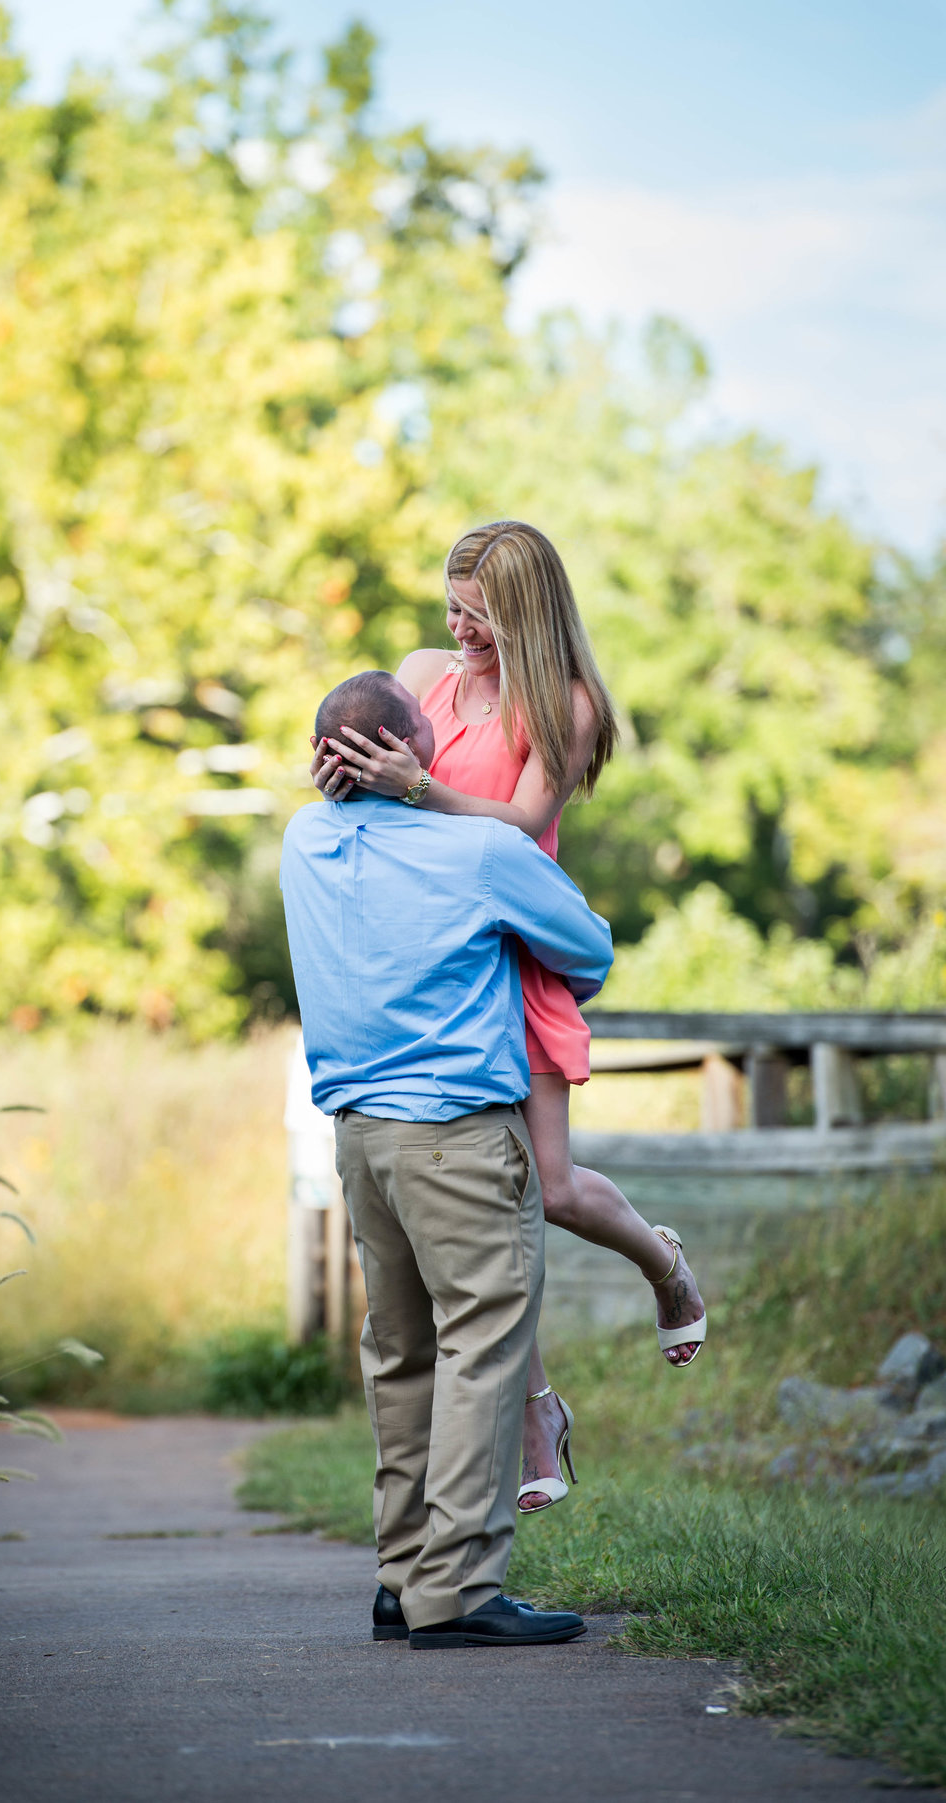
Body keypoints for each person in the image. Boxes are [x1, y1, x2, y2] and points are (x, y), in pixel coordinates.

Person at [313, 520, 706, 1514]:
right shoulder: (421, 673)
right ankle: (536, 1409)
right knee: (492, 1213)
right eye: (451, 609)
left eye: (478, 618)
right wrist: (340, 778)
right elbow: (373, 797)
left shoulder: (565, 706)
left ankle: (665, 1267)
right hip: (435, 969)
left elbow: (526, 826)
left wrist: (421, 788)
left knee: (557, 1190)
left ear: (527, 615)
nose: (457, 631)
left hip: (515, 960)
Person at [282, 667, 613, 1647]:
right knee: (482, 1344)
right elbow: (587, 950)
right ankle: (460, 1589)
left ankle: (400, 1577)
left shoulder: (303, 841)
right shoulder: (474, 850)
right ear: (412, 747)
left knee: (401, 1354)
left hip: (360, 1139)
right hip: (460, 1133)